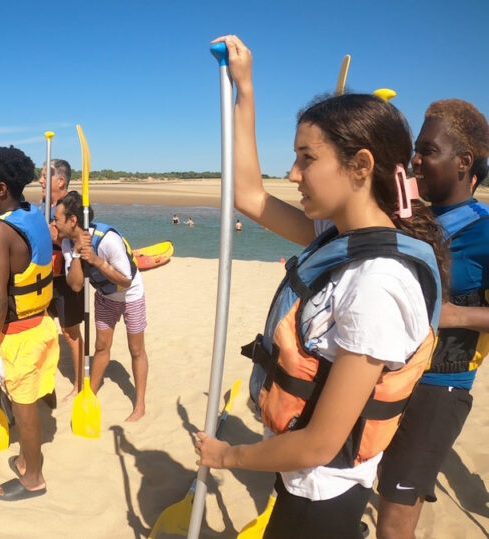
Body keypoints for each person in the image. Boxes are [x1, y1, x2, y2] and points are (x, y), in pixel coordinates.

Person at [193, 35, 449, 537]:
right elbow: (248, 195)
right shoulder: (338, 237)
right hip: (300, 481)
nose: (292, 173)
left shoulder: (377, 284)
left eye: (306, 158)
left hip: (322, 496)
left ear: (360, 166)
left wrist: (228, 455)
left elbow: (320, 444)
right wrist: (245, 89)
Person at [375, 99, 489, 539]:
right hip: (386, 374)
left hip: (439, 387)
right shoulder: (411, 218)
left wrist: (455, 313)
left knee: (395, 516)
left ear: (463, 163)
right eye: (413, 151)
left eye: (427, 150)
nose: (415, 161)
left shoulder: (482, 230)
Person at [0, 146, 58, 501]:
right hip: (41, 324)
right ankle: (25, 461)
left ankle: (33, 479)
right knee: (29, 401)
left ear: (1, 189)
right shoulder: (32, 212)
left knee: (23, 410)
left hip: (20, 334)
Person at [54, 191, 149, 421]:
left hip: (131, 296)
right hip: (106, 297)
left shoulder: (107, 239)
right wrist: (77, 255)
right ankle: (90, 393)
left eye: (57, 219)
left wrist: (96, 261)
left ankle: (140, 405)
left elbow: (125, 280)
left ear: (73, 220)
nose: (54, 224)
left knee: (136, 350)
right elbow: (76, 285)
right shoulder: (68, 243)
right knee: (101, 347)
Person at [38, 160, 85, 403]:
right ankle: (44, 382)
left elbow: (80, 239)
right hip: (44, 280)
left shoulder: (73, 206)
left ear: (60, 181)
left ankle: (79, 384)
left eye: (45, 176)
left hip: (67, 280)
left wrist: (55, 238)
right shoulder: (43, 205)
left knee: (70, 332)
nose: (40, 180)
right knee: (42, 330)